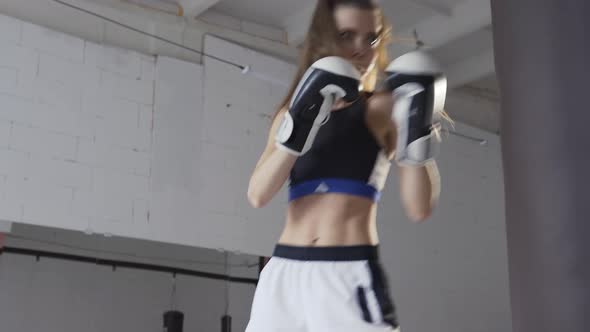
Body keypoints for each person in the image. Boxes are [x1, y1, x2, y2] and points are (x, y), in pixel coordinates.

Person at [245, 0, 446, 331]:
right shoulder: (290, 113)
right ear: (322, 38)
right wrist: (299, 125)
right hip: (282, 273)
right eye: (346, 35)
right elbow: (257, 195)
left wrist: (418, 126)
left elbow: (418, 207)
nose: (361, 50)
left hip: (345, 272)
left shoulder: (381, 107)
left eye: (372, 38)